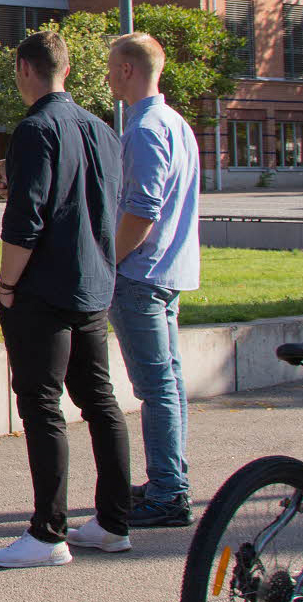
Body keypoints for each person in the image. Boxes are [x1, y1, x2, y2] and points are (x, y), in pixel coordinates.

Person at [0, 30, 132, 569]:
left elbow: (27, 221)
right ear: (65, 68)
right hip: (93, 282)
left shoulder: (35, 129)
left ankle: (48, 534)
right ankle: (114, 522)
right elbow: (90, 203)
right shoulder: (102, 129)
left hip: (44, 289)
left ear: (25, 68)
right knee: (100, 401)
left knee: (42, 405)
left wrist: (7, 285)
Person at [103, 33, 203, 529]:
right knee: (170, 384)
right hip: (168, 272)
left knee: (156, 388)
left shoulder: (144, 129)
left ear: (126, 70)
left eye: (108, 66)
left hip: (140, 275)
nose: (105, 75)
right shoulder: (176, 124)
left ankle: (167, 493)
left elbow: (142, 210)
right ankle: (171, 481)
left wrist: (106, 260)